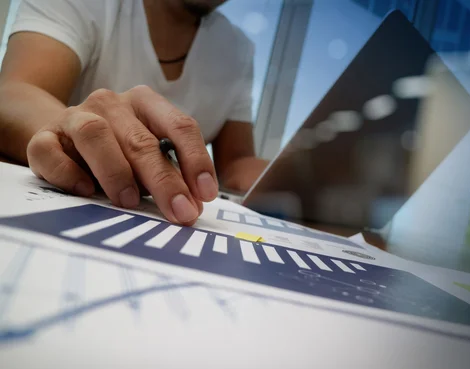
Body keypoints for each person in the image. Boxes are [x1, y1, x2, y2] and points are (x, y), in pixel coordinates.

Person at [0, 0, 269, 226]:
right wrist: (75, 128)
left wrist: (299, 172)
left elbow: (236, 163)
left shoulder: (238, 48)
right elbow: (13, 92)